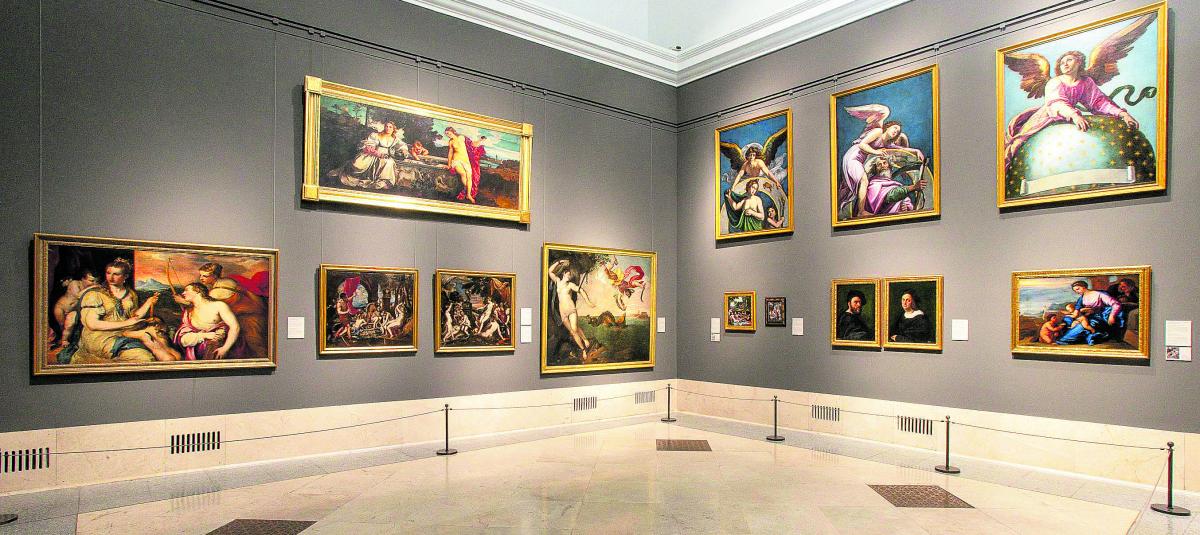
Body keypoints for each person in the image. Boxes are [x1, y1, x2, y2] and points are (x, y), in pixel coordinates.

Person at [59, 258, 162, 364]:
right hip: (100, 337)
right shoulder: (94, 294)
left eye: (116, 274)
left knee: (159, 344)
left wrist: (148, 303)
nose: (111, 277)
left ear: (126, 276)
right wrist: (126, 323)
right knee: (144, 358)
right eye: (108, 273)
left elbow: (134, 317)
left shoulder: (131, 294)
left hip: (124, 333)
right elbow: (92, 324)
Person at [840, 120, 924, 218]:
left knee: (861, 183)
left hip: (860, 160)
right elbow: (862, 145)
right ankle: (861, 211)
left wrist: (916, 151)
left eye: (898, 131)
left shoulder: (887, 144)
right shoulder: (878, 131)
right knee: (864, 180)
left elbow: (901, 149)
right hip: (853, 157)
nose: (896, 131)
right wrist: (876, 152)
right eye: (895, 128)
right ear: (887, 127)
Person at [191, 263, 268, 359]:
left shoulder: (216, 292)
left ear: (214, 276)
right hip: (253, 315)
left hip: (248, 320)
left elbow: (205, 306)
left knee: (256, 349)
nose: (201, 278)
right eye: (201, 275)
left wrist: (185, 302)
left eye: (205, 276)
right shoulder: (228, 281)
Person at [329, 121, 409, 189]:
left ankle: (384, 182)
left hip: (386, 156)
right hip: (373, 154)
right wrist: (378, 154)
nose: (388, 128)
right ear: (384, 127)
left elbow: (402, 145)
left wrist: (404, 150)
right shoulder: (376, 135)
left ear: (393, 129)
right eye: (386, 126)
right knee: (357, 165)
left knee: (389, 162)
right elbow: (368, 147)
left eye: (390, 127)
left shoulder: (395, 139)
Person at [174, 283, 241, 360]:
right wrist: (204, 335)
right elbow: (183, 340)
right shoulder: (188, 312)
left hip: (217, 350)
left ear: (197, 291)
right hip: (196, 355)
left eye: (186, 290)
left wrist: (225, 348)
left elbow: (235, 327)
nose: (183, 293)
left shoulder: (218, 305)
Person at [548, 258, 595, 357]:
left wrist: (588, 302)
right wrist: (560, 262)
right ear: (564, 274)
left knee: (574, 328)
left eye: (570, 275)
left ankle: (585, 340)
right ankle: (583, 349)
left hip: (571, 309)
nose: (569, 276)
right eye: (568, 274)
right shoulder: (557, 281)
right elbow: (550, 271)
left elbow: (581, 290)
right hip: (562, 312)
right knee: (573, 332)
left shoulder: (570, 285)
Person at [1055, 280, 1124, 345]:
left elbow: (1116, 304)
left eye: (1078, 289)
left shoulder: (1099, 294)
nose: (1077, 292)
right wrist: (1081, 310)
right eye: (1075, 291)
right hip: (1088, 316)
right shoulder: (1081, 298)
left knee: (1081, 328)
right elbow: (1076, 312)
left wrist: (1112, 316)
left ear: (1084, 287)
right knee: (1069, 321)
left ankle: (1096, 335)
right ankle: (1066, 339)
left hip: (1100, 317)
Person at [862, 157, 927, 215]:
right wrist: (914, 187)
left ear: (889, 166)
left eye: (885, 163)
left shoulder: (891, 182)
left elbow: (901, 200)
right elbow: (890, 196)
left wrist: (904, 206)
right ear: (875, 169)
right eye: (879, 164)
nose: (882, 166)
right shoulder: (874, 183)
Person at [52, 270, 100, 347]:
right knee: (62, 327)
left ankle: (66, 341)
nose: (94, 283)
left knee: (69, 326)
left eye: (96, 281)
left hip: (73, 310)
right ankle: (62, 341)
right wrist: (92, 287)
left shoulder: (91, 288)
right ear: (83, 279)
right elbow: (78, 295)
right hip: (61, 309)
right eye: (91, 281)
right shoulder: (75, 283)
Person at [443, 127, 480, 203]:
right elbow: (450, 153)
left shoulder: (462, 137)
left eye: (448, 133)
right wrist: (449, 165)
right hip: (456, 161)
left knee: (469, 176)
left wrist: (480, 140)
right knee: (463, 174)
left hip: (466, 161)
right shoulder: (451, 142)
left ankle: (468, 195)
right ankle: (469, 192)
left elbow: (471, 145)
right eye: (446, 134)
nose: (448, 135)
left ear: (453, 132)